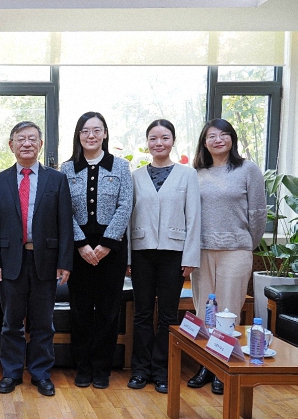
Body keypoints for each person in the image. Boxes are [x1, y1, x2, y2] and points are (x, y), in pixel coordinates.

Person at [0, 121, 73, 397]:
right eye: (20, 139)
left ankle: (40, 373)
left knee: (43, 322)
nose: (26, 143)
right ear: (11, 145)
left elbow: (65, 224)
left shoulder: (56, 180)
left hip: (45, 261)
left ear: (41, 144)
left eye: (32, 139)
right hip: (10, 261)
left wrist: (65, 262)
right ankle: (11, 372)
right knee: (11, 322)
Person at [187, 118, 266, 395]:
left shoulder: (248, 169)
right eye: (211, 136)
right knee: (203, 311)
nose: (218, 140)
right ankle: (206, 365)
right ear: (204, 142)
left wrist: (246, 243)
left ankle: (223, 366)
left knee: (228, 311)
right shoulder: (196, 173)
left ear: (232, 139)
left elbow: (258, 214)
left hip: (236, 251)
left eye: (223, 135)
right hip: (202, 251)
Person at [126, 119, 201, 394]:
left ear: (173, 141)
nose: (159, 143)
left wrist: (190, 256)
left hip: (175, 253)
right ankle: (140, 370)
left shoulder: (187, 175)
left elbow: (194, 217)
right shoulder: (135, 176)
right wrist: (128, 259)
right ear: (147, 142)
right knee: (142, 313)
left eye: (165, 138)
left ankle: (162, 371)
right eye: (153, 138)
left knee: (168, 315)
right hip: (141, 252)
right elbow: (127, 219)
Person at [60, 111, 132, 390]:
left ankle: (102, 368)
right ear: (78, 135)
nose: (91, 135)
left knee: (107, 311)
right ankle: (82, 367)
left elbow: (125, 206)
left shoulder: (121, 166)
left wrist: (106, 244)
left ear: (105, 134)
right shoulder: (67, 169)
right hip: (78, 251)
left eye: (96, 130)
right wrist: (81, 244)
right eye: (85, 131)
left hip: (111, 251)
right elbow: (63, 210)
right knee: (80, 311)